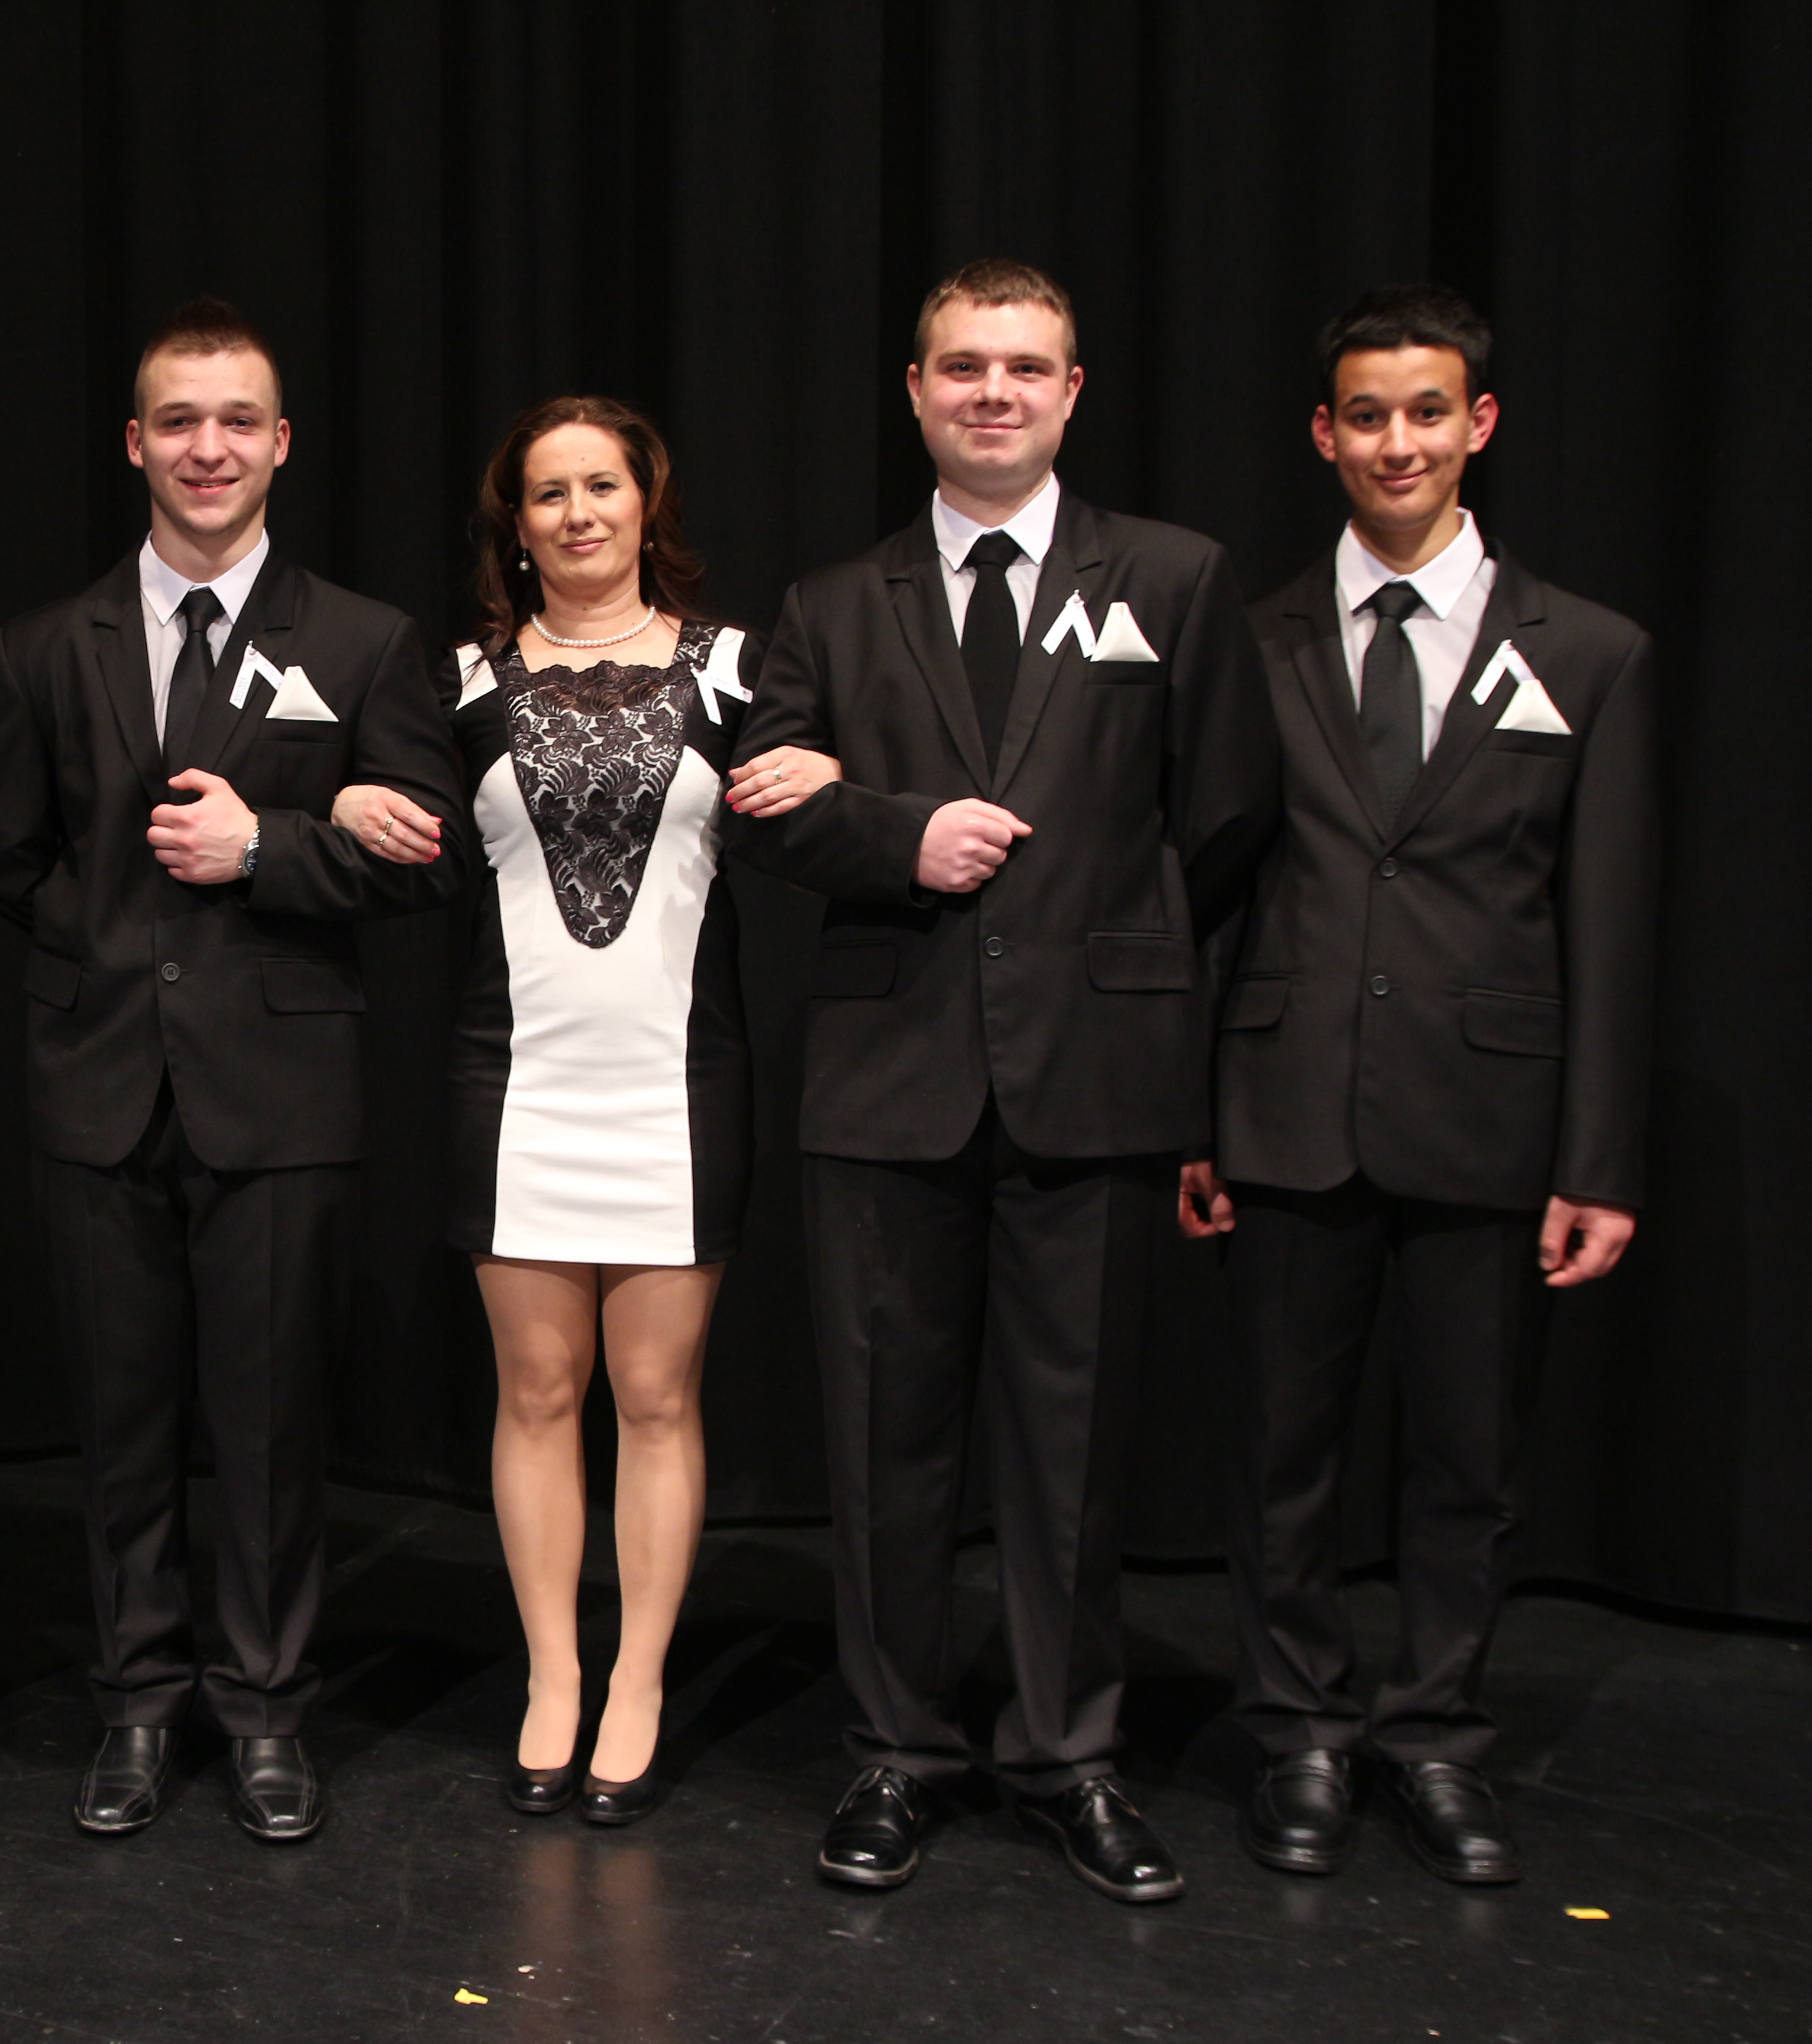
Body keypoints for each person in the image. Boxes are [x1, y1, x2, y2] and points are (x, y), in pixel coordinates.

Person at [725, 258, 1278, 1902]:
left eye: (1025, 367)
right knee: (884, 1441)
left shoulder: (1172, 578)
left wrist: (1128, 974)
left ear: (1072, 391)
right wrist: (902, 836)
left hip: (1098, 1075)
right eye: (963, 365)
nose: (993, 392)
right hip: (888, 1077)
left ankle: (1067, 1755)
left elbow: (1227, 817)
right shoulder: (834, 602)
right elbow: (764, 807)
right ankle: (897, 1750)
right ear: (914, 390)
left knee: (1073, 1445)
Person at [0, 298, 465, 1842]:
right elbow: (3, 854)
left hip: (282, 1093)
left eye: (238, 419)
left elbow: (429, 856)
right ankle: (134, 1702)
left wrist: (275, 850)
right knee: (121, 1425)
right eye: (179, 420)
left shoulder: (365, 641)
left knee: (268, 1426)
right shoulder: (42, 647)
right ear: (135, 442)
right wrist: (111, 945)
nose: (208, 447)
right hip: (99, 1081)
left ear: (282, 442)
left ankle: (262, 1710)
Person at [1183, 287, 1655, 1887]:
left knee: (1469, 1458)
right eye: (1369, 416)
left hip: (1491, 1119)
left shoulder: (1591, 650)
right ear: (1325, 436)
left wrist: (1598, 1157)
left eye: (1429, 411)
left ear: (1479, 425)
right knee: (1283, 1450)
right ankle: (1301, 1730)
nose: (1400, 442)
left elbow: (1611, 923)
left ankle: (1439, 1734)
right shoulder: (1250, 641)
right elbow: (1214, 893)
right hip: (1286, 1105)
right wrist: (1194, 1117)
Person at [334, 397, 822, 1823]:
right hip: (517, 1088)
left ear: (645, 503)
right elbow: (405, 830)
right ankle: (554, 1674)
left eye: (601, 485)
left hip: (681, 1088)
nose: (577, 513)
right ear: (516, 525)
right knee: (539, 1394)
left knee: (658, 1398)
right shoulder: (459, 682)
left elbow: (819, 813)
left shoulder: (738, 672)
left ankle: (640, 1682)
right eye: (547, 493)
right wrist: (353, 808)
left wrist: (833, 774)